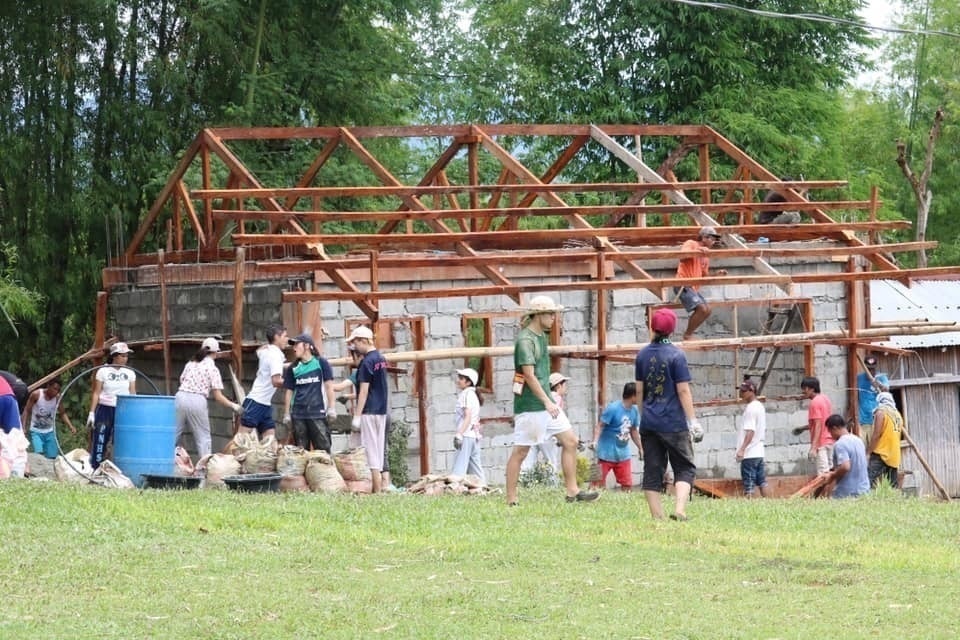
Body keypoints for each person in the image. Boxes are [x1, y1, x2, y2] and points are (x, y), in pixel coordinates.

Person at [505, 295, 598, 505]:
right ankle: (511, 498)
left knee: (570, 441)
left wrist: (549, 402)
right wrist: (547, 402)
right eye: (550, 314)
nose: (554, 318)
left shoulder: (540, 337)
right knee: (520, 452)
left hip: (546, 404)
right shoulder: (526, 341)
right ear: (538, 315)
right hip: (531, 406)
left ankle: (572, 491)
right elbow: (529, 375)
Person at [634, 308, 702, 520]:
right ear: (672, 329)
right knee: (684, 467)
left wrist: (642, 415)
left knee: (652, 469)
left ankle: (658, 517)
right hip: (673, 423)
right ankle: (679, 510)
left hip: (649, 423)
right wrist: (693, 421)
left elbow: (639, 390)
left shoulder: (642, 355)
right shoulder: (676, 355)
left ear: (652, 327)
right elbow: (683, 390)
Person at [175, 337, 242, 458]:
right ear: (216, 352)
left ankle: (162, 462)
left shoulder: (190, 364)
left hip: (179, 397)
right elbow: (218, 397)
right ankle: (204, 467)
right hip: (197, 400)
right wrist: (234, 406)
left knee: (172, 434)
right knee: (203, 438)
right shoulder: (213, 369)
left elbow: (182, 380)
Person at [347, 325, 390, 493]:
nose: (355, 347)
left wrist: (357, 416)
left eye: (356, 343)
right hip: (381, 411)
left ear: (363, 340)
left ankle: (376, 491)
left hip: (369, 411)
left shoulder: (366, 363)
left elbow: (364, 391)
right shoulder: (380, 358)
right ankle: (378, 488)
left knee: (371, 454)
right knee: (378, 451)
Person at [282, 332, 336, 453]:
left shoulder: (321, 363)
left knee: (323, 451)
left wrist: (332, 408)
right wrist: (287, 414)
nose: (294, 348)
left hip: (318, 413)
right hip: (298, 414)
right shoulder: (293, 368)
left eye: (296, 345)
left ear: (306, 346)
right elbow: (289, 391)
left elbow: (329, 386)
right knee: (301, 452)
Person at [86, 342, 137, 469]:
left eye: (126, 356)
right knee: (101, 437)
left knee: (121, 439)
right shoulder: (103, 371)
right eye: (122, 356)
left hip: (123, 409)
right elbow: (96, 393)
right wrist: (91, 413)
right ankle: (95, 466)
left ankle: (119, 467)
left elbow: (133, 393)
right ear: (114, 356)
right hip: (105, 408)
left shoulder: (130, 373)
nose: (125, 359)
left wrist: (134, 412)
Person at [674, 226, 727, 341]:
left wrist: (716, 275)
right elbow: (682, 257)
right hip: (682, 284)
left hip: (692, 287)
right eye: (712, 238)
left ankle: (689, 334)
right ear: (704, 238)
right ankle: (687, 335)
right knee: (702, 309)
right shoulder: (691, 243)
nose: (714, 242)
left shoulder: (705, 257)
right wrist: (698, 251)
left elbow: (704, 276)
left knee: (707, 310)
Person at [238, 323, 288, 441]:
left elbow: (258, 351)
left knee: (270, 440)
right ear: (277, 337)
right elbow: (276, 381)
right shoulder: (275, 355)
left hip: (265, 404)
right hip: (256, 402)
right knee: (240, 440)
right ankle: (225, 454)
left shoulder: (267, 351)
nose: (287, 339)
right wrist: (294, 383)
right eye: (285, 336)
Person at [591, 382, 642, 491]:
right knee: (595, 484)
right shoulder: (613, 408)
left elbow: (633, 431)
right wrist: (595, 441)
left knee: (627, 486)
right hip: (605, 453)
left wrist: (640, 448)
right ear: (633, 396)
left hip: (623, 454)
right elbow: (600, 425)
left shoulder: (634, 411)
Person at [520, 371, 568, 477]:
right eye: (564, 385)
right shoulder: (556, 398)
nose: (565, 388)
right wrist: (560, 437)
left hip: (533, 431)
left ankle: (524, 482)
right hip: (548, 434)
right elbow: (555, 419)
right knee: (551, 462)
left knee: (528, 462)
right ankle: (552, 484)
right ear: (558, 386)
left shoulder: (541, 397)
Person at [21, 379, 76, 459]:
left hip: (50, 432)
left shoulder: (57, 398)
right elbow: (26, 410)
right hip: (36, 431)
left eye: (58, 390)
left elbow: (63, 413)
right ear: (48, 386)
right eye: (54, 388)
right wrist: (23, 427)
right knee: (39, 456)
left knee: (53, 457)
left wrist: (70, 426)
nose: (55, 392)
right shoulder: (36, 394)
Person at [734, 379, 770, 498]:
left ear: (752, 391)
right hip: (758, 452)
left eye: (744, 391)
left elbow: (750, 431)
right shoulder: (759, 406)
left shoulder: (751, 408)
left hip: (750, 453)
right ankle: (770, 504)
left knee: (749, 485)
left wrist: (742, 449)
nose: (741, 393)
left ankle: (749, 506)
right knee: (762, 482)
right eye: (741, 391)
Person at [450, 367, 486, 484]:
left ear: (469, 382)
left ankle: (455, 489)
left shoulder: (466, 394)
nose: (458, 380)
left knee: (458, 468)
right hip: (473, 436)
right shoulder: (473, 395)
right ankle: (483, 487)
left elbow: (468, 416)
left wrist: (459, 434)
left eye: (461, 378)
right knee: (476, 469)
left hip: (466, 435)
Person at [824, 414, 869, 498]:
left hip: (847, 493)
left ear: (834, 428)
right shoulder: (858, 440)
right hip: (864, 490)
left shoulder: (840, 444)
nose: (831, 435)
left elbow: (845, 467)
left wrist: (833, 475)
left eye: (830, 432)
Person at [867, 392, 902, 488]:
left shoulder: (881, 412)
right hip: (894, 454)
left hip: (882, 453)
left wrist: (868, 452)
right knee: (893, 485)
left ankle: (865, 497)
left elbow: (876, 435)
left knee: (868, 480)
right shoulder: (897, 415)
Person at [800, 376, 834, 476]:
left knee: (823, 475)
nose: (803, 391)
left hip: (821, 443)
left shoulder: (814, 403)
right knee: (831, 471)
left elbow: (818, 425)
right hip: (830, 440)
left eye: (805, 388)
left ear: (812, 389)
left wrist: (814, 447)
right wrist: (803, 428)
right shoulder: (825, 399)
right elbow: (824, 420)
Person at [857, 355, 889, 440]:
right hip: (862, 421)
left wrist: (879, 385)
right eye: (868, 369)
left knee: (876, 445)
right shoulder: (859, 378)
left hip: (877, 420)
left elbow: (886, 391)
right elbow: (855, 397)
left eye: (872, 369)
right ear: (864, 368)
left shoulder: (881, 378)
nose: (871, 371)